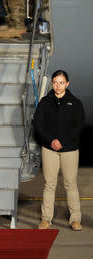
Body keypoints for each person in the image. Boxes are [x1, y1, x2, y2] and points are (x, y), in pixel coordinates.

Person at [33, 70, 84, 231]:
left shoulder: (75, 103)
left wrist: (63, 141)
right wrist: (51, 141)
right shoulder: (44, 103)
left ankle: (75, 220)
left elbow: (78, 126)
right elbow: (39, 125)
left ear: (67, 84)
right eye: (55, 82)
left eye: (61, 82)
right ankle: (46, 219)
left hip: (69, 149)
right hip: (50, 149)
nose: (58, 86)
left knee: (71, 184)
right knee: (49, 184)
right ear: (52, 83)